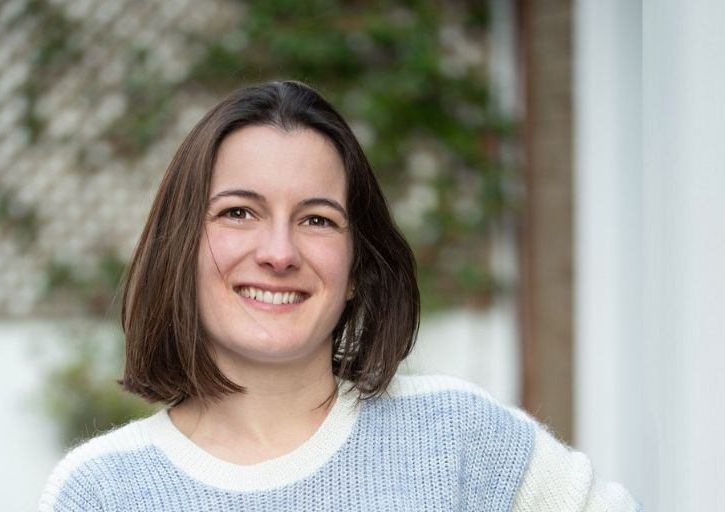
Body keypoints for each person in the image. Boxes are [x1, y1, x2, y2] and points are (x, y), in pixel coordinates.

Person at [39, 81, 638, 511]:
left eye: (317, 220)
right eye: (239, 212)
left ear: (356, 267)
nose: (279, 252)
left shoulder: (458, 439)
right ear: (181, 248)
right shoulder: (101, 492)